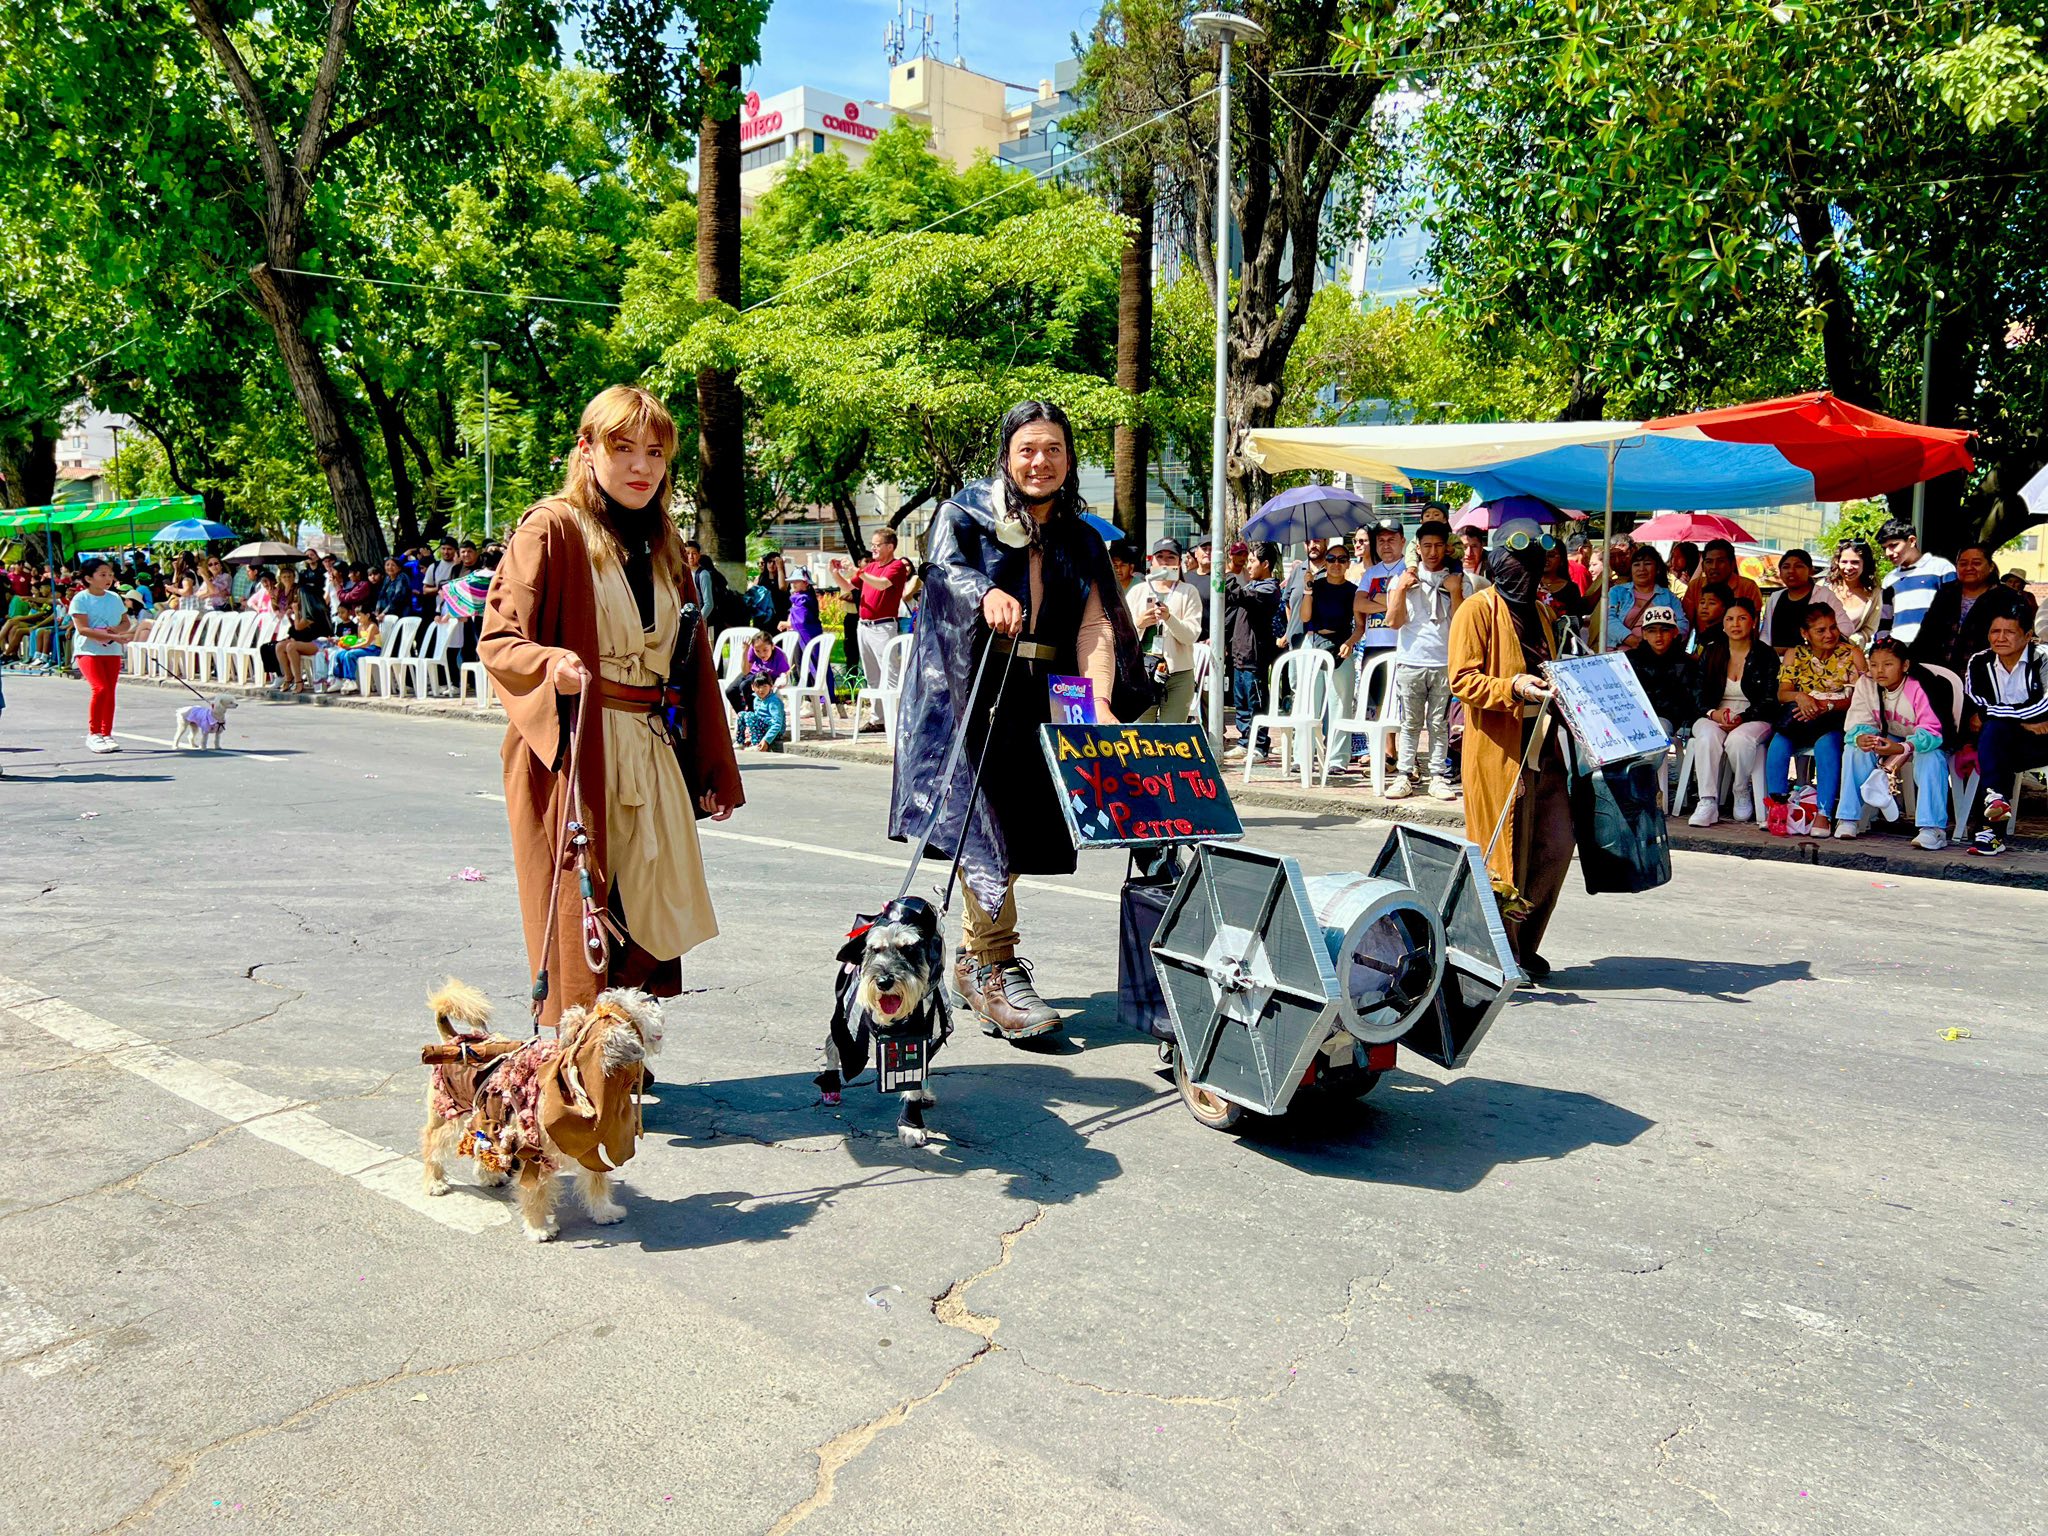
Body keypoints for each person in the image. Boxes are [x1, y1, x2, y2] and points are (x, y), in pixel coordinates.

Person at [480, 383, 742, 1029]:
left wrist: (711, 767)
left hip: (649, 744)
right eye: (623, 448)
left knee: (659, 906)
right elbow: (500, 638)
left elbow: (693, 665)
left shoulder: (665, 542)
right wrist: (551, 663)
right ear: (587, 449)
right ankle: (584, 1054)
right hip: (578, 745)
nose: (640, 466)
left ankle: (617, 1044)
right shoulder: (552, 527)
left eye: (654, 452)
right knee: (584, 913)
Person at [888, 400, 1148, 1041]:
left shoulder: (1081, 536)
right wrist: (986, 593)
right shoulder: (963, 514)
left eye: (1053, 449)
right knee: (988, 829)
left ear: (1069, 458)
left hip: (1048, 694)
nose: (1040, 461)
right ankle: (992, 964)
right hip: (974, 693)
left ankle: (975, 959)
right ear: (1007, 455)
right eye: (1027, 449)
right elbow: (943, 572)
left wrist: (1100, 701)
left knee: (1029, 828)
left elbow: (1095, 624)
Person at [1448, 520, 1569, 979]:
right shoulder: (1476, 610)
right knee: (1504, 853)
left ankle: (1527, 942)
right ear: (1498, 562)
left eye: (1534, 562)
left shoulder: (1542, 612)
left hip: (1545, 747)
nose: (1525, 571)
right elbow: (1462, 680)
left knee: (1555, 843)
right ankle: (1500, 951)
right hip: (1499, 749)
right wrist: (1513, 686)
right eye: (1516, 562)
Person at [1837, 640, 1951, 848]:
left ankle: (1932, 828)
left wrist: (1902, 748)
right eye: (1873, 665)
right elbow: (1859, 722)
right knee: (1855, 749)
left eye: (1888, 664)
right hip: (1888, 735)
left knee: (1931, 757)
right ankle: (1848, 818)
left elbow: (1933, 732)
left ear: (1905, 665)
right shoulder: (1866, 684)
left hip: (1921, 739)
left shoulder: (1919, 685)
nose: (1879, 671)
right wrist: (1862, 737)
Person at [1763, 606, 1862, 837]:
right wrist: (1801, 697)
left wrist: (1827, 706)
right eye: (1821, 630)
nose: (1830, 634)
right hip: (1803, 717)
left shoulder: (1851, 654)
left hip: (1837, 717)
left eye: (1833, 628)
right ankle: (1777, 808)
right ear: (1805, 633)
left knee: (1826, 746)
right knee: (1778, 743)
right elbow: (1782, 693)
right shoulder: (1795, 654)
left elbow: (1863, 698)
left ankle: (1823, 813)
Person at [1384, 518, 1464, 800]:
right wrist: (1401, 589)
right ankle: (1404, 774)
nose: (1432, 552)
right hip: (1411, 660)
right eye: (1427, 546)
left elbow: (1461, 624)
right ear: (1417, 548)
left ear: (1447, 548)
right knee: (1410, 722)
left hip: (1443, 661)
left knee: (1439, 724)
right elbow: (1393, 622)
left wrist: (1455, 591)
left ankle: (1438, 776)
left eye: (1438, 546)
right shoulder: (1402, 578)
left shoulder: (1457, 579)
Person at [1685, 594, 1778, 827]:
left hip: (1754, 716)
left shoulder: (1765, 655)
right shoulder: (1711, 652)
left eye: (1742, 618)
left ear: (1753, 622)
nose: (1735, 624)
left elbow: (1769, 698)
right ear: (1723, 624)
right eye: (1730, 619)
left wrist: (1743, 717)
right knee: (1707, 736)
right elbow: (1696, 692)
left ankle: (1740, 787)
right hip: (1714, 713)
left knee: (1739, 740)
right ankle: (1707, 801)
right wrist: (1712, 713)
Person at [1960, 613, 2048, 856]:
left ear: (2028, 636)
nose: (2000, 638)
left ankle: (1989, 828)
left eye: (2009, 632)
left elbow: (2044, 705)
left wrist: (1994, 714)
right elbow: (1976, 704)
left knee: (1994, 736)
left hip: (2043, 741)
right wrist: (2023, 722)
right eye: (1995, 631)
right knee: (1995, 735)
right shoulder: (1980, 661)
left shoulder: (2043, 658)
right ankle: (1994, 810)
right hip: (2005, 741)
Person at [834, 530, 914, 729]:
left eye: (877, 545)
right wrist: (835, 573)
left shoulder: (896, 566)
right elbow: (849, 587)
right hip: (864, 626)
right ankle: (878, 719)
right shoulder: (871, 567)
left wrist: (858, 571)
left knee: (890, 672)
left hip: (883, 626)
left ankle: (896, 719)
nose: (873, 548)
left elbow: (882, 585)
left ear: (890, 546)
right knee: (872, 675)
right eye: (873, 544)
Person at [1910, 543, 2025, 674]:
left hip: (1987, 674)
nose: (1969, 568)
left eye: (1976, 563)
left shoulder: (2007, 597)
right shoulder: (1947, 592)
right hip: (1940, 674)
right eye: (1963, 564)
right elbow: (1927, 633)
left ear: (1991, 566)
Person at [1298, 541, 1361, 771]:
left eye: (1342, 559)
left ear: (1348, 564)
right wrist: (1307, 590)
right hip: (1314, 642)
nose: (1336, 564)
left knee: (1341, 703)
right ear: (1325, 562)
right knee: (1308, 703)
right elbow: (1305, 618)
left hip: (1341, 644)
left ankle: (1337, 759)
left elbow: (1360, 626)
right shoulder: (1315, 586)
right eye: (1332, 559)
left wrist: (1349, 643)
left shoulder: (1353, 590)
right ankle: (1303, 756)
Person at [1128, 538, 1204, 723]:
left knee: (1172, 732)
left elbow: (1191, 635)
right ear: (1151, 561)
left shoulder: (1188, 591)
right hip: (1142, 672)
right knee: (1141, 732)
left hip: (1179, 673)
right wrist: (1139, 624)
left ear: (1179, 562)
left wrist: (1169, 618)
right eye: (1160, 557)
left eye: (1171, 557)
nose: (1165, 562)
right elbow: (1121, 635)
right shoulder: (1138, 591)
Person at [1223, 539, 1283, 760]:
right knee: (1241, 702)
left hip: (1255, 655)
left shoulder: (1269, 589)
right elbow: (1232, 600)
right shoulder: (1251, 585)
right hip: (1240, 653)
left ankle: (1259, 745)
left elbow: (1241, 596)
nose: (1247, 565)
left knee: (1256, 700)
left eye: (1251, 561)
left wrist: (1227, 574)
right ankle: (1244, 740)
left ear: (1265, 564)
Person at [67, 558, 133, 752]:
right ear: (88, 578)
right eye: (102, 575)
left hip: (112, 650)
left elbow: (125, 622)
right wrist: (110, 636)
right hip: (88, 650)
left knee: (110, 691)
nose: (108, 579)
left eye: (110, 575)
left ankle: (107, 734)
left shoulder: (114, 598)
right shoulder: (80, 599)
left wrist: (117, 631)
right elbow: (82, 629)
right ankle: (94, 733)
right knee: (100, 688)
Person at [1877, 518, 1956, 645]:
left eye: (1893, 545)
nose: (1888, 553)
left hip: (1933, 646)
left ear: (1912, 541)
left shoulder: (1941, 568)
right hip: (1898, 648)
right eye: (1884, 548)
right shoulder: (1889, 579)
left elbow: (1953, 610)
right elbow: (1884, 619)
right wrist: (1882, 645)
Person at [1760, 548, 1849, 653]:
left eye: (1798, 566)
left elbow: (1846, 628)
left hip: (1812, 660)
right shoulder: (1775, 597)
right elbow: (1765, 635)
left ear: (1810, 571)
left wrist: (1810, 648)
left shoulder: (1824, 595)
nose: (1791, 571)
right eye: (1786, 567)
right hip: (1777, 660)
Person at [1605, 545, 1688, 650]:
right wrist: (1632, 640)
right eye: (1636, 564)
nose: (1641, 569)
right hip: (1620, 653)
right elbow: (1608, 619)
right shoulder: (1617, 592)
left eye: (1647, 564)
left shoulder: (1669, 596)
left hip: (1658, 653)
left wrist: (1664, 641)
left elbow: (1682, 623)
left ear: (1657, 569)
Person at [1682, 539, 1762, 633]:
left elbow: (1754, 627)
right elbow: (1686, 624)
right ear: (1703, 566)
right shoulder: (1695, 586)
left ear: (1732, 564)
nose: (1714, 567)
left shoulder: (1748, 587)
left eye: (1720, 561)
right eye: (1709, 562)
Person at [1825, 538, 1882, 647]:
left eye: (1855, 562)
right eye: (1844, 562)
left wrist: (1853, 640)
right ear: (1837, 562)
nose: (1848, 567)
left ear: (1865, 563)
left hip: (1850, 653)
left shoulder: (1874, 594)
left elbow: (1870, 630)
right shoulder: (1823, 588)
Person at [722, 629, 792, 714]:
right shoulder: (752, 648)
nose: (762, 654)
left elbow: (785, 674)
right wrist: (745, 652)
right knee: (730, 691)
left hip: (767, 676)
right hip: (753, 673)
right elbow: (745, 672)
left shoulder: (779, 655)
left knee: (745, 686)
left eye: (765, 650)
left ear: (772, 646)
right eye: (757, 651)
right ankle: (743, 715)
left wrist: (781, 681)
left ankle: (753, 713)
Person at [734, 672, 788, 752]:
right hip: (762, 728)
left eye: (764, 686)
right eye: (758, 687)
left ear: (771, 686)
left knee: (750, 716)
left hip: (775, 731)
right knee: (741, 714)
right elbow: (757, 719)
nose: (761, 690)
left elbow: (777, 724)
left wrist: (766, 740)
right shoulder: (756, 699)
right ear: (752, 687)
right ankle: (740, 742)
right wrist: (750, 735)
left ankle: (756, 744)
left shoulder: (774, 702)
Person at [744, 551, 791, 633]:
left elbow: (782, 587)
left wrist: (780, 568)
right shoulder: (760, 578)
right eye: (769, 562)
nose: (772, 565)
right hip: (762, 618)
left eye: (775, 562)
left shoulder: (784, 579)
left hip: (778, 618)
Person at [1688, 581, 1731, 652]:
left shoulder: (1723, 638)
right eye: (1702, 602)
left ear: (1724, 607)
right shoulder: (1704, 634)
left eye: (1712, 603)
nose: (1704, 607)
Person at [1459, 528, 1492, 594]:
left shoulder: (1493, 567)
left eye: (1474, 546)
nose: (1469, 553)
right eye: (1464, 547)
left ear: (1482, 546)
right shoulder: (1448, 569)